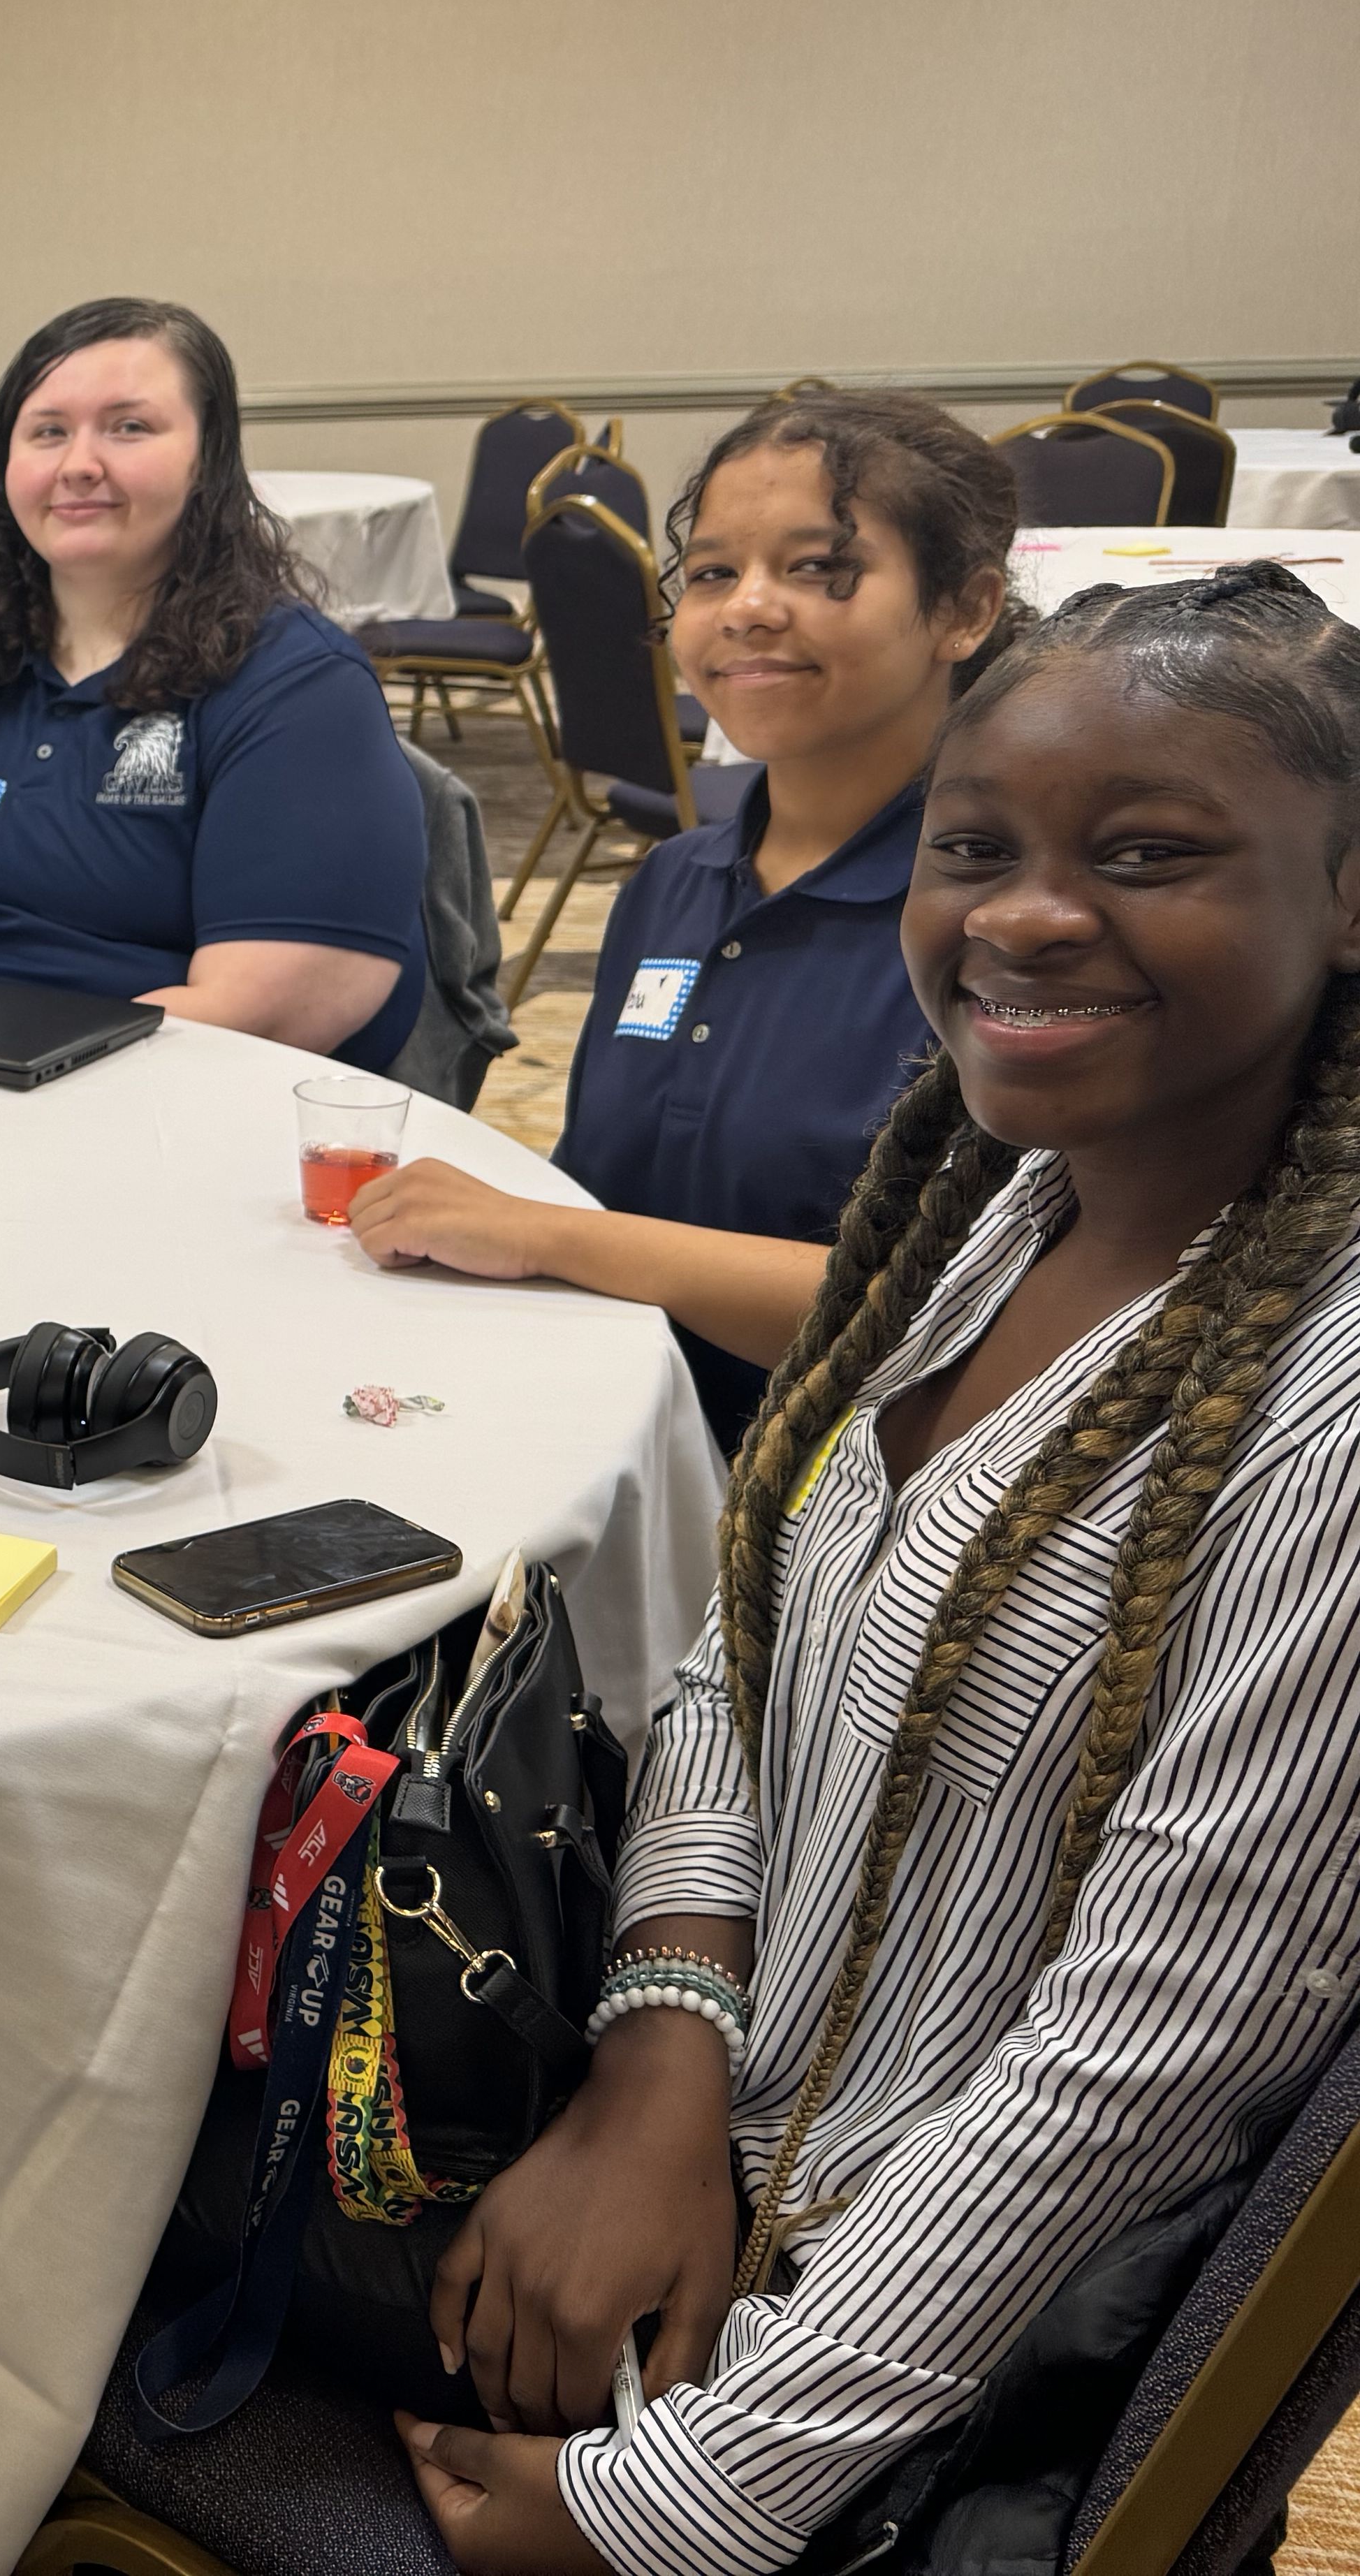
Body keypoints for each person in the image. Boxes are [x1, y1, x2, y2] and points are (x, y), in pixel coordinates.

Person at [388, 570, 1360, 2573]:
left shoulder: (1322, 1409)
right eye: (975, 847)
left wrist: (686, 2503)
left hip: (882, 2377)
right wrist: (663, 2048)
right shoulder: (1008, 1203)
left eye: (1146, 854)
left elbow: (1142, 2064)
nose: (1024, 915)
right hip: (703, 2125)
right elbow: (744, 1646)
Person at [347, 391, 1013, 1447]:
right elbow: (596, 1184)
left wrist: (545, 1235)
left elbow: (955, 1315)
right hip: (601, 1427)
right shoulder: (675, 881)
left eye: (818, 568)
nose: (747, 608)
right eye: (710, 574)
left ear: (964, 611)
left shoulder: (997, 931)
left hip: (829, 1491)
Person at [0, 296, 426, 1066]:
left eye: (128, 427)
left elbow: (259, 1020)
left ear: (207, 460)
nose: (78, 464)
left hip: (139, 1108)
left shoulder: (296, 690)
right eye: (48, 431)